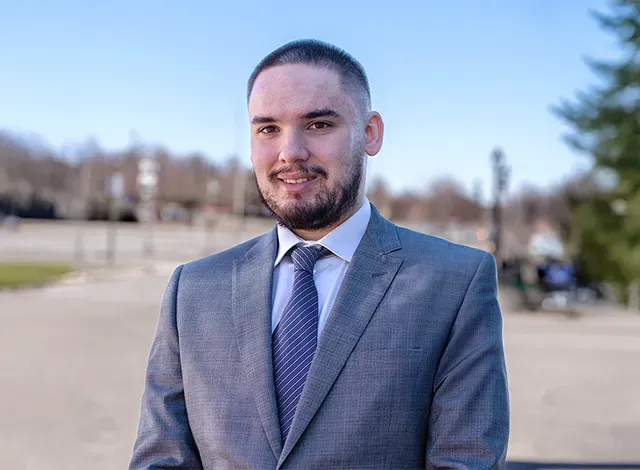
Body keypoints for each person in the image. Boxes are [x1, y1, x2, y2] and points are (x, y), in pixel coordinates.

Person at [130, 39, 510, 469]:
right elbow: (160, 460)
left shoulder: (455, 283)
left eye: (318, 124)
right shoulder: (193, 290)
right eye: (268, 129)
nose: (290, 152)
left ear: (370, 133)